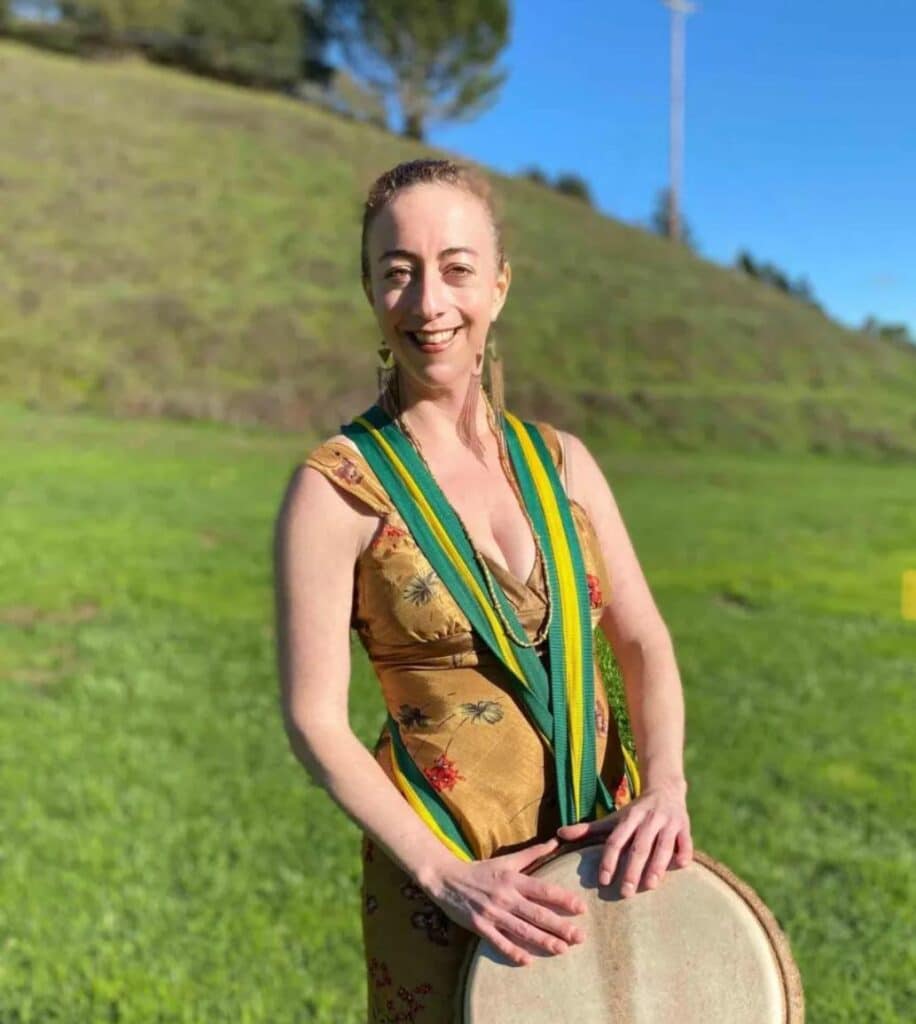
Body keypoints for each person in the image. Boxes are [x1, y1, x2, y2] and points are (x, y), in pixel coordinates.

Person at [274, 158, 692, 1022]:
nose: (430, 303)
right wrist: (441, 874)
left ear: (498, 288)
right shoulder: (336, 486)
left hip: (598, 869)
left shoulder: (563, 462)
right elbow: (315, 720)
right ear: (371, 291)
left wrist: (668, 784)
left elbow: (643, 640)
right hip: (448, 890)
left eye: (457, 268)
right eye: (399, 272)